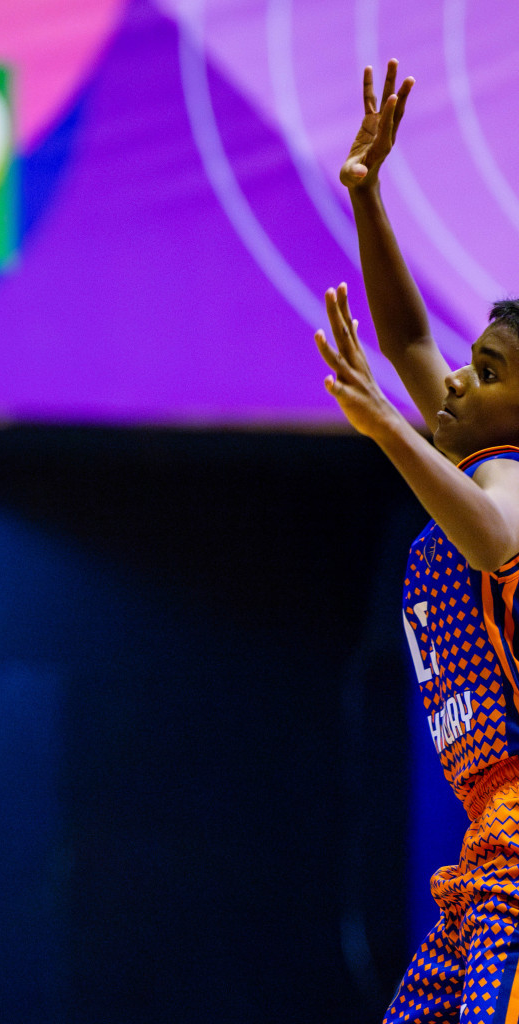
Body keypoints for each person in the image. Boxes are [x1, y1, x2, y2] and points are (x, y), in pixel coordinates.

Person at [315, 61, 519, 1024]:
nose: (453, 384)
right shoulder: (477, 452)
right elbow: (403, 339)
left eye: (483, 371)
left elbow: (496, 543)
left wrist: (386, 429)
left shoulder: (508, 475)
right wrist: (367, 196)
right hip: (489, 840)